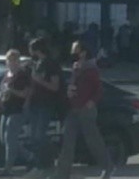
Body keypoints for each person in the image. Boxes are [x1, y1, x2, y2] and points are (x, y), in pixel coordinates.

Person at [53, 41, 114, 179]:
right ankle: (62, 174)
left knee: (93, 141)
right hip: (73, 108)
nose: (72, 53)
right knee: (67, 141)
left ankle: (107, 166)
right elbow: (74, 84)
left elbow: (98, 90)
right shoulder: (76, 67)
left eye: (75, 50)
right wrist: (69, 91)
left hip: (86, 110)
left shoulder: (91, 69)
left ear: (83, 52)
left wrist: (91, 102)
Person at [0, 49, 35, 177]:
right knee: (5, 139)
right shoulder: (6, 75)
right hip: (6, 110)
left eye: (14, 60)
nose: (11, 63)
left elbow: (25, 93)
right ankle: (30, 157)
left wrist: (12, 90)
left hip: (18, 110)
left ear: (18, 61)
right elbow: (1, 92)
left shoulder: (22, 75)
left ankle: (8, 169)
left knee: (10, 138)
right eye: (9, 60)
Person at [27, 38, 62, 173]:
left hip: (46, 104)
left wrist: (39, 80)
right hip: (35, 104)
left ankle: (46, 164)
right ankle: (38, 164)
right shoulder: (38, 63)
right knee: (34, 136)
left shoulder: (50, 64)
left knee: (40, 135)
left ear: (36, 49)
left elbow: (55, 86)